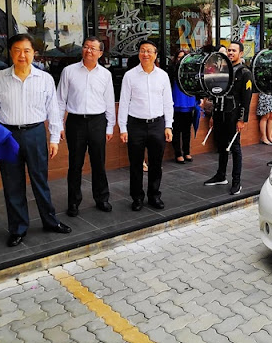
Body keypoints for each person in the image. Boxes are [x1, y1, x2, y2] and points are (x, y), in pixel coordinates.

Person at [0, 34, 71, 247]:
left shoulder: (45, 78)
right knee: (12, 184)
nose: (22, 55)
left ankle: (50, 221)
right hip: (8, 136)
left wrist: (54, 139)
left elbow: (53, 110)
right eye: (17, 50)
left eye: (27, 50)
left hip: (35, 134)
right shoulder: (0, 77)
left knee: (40, 180)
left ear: (34, 53)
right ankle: (18, 228)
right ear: (10, 52)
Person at [56, 36, 115, 217]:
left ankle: (102, 198)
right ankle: (73, 202)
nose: (89, 50)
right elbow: (60, 100)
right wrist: (58, 124)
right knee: (75, 164)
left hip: (98, 122)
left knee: (99, 163)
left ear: (100, 53)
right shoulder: (69, 71)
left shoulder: (105, 74)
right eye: (86, 47)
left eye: (93, 48)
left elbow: (109, 102)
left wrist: (110, 126)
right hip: (75, 122)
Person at [118, 40, 173, 211]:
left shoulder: (163, 76)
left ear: (155, 54)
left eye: (149, 51)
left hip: (157, 124)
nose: (145, 54)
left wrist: (168, 125)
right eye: (142, 50)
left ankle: (154, 196)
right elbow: (124, 102)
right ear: (139, 54)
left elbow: (167, 103)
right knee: (135, 164)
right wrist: (123, 128)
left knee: (156, 164)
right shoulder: (130, 76)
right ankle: (137, 198)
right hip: (136, 125)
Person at [204, 41, 253, 195]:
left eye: (234, 50)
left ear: (241, 53)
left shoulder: (245, 72)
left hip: (233, 114)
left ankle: (236, 182)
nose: (230, 53)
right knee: (221, 145)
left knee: (235, 148)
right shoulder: (223, 69)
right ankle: (220, 175)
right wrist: (212, 115)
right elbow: (216, 93)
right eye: (229, 50)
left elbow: (246, 98)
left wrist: (242, 119)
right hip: (219, 113)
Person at [171, 49, 199, 163]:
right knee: (176, 131)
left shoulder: (192, 71)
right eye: (179, 57)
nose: (181, 60)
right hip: (176, 104)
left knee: (187, 131)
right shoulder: (172, 71)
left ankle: (187, 152)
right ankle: (178, 153)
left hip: (189, 104)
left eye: (184, 57)